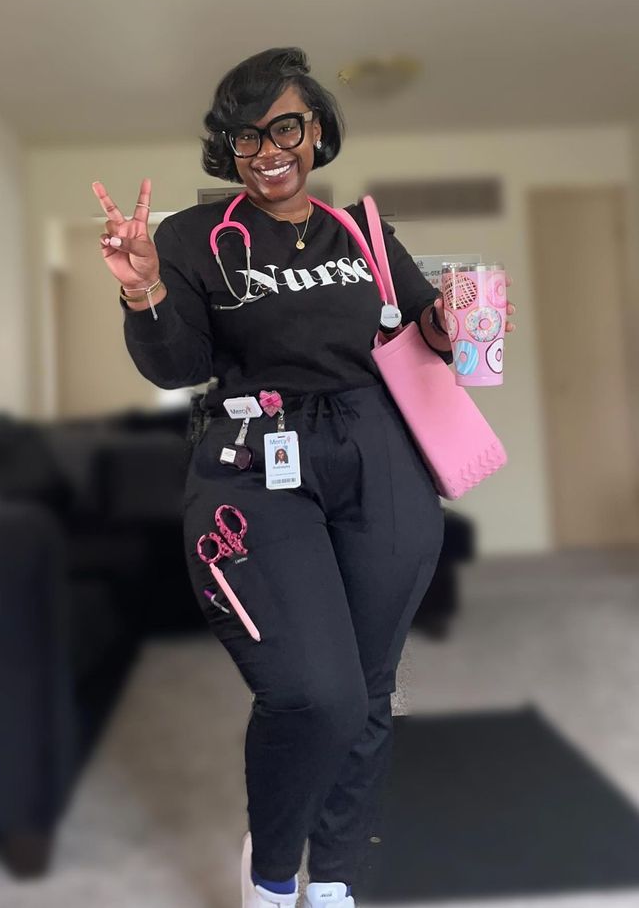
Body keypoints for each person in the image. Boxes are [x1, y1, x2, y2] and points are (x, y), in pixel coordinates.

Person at [92, 47, 516, 908]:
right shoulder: (191, 239)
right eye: (245, 136)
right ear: (228, 150)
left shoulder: (361, 231)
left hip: (379, 456)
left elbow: (417, 337)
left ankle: (339, 878)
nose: (267, 149)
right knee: (310, 691)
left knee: (367, 689)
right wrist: (143, 295)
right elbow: (178, 366)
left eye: (284, 125)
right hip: (256, 464)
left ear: (315, 129)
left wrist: (443, 321)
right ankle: (275, 868)